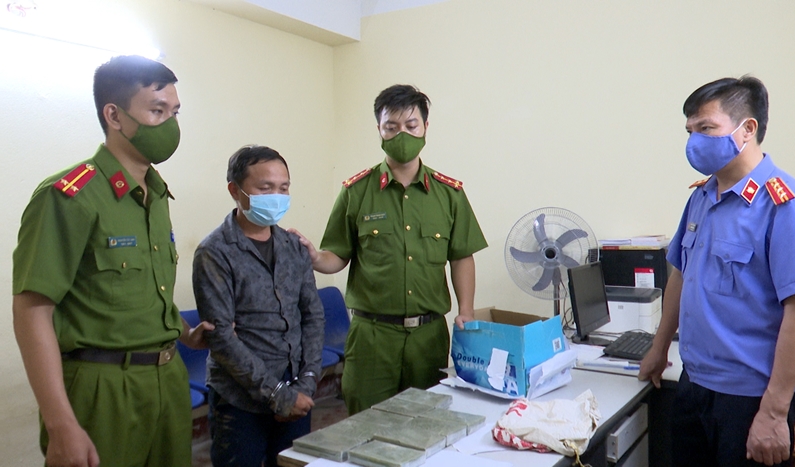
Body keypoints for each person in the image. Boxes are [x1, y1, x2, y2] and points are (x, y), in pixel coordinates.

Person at [12, 55, 213, 467]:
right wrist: (61, 425)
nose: (169, 124)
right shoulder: (70, 196)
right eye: (157, 111)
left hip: (167, 378)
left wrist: (186, 334)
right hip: (102, 389)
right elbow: (32, 311)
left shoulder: (156, 194)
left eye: (174, 112)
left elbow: (144, 291)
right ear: (115, 116)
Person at [639, 76, 795, 467]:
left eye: (706, 128)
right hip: (695, 381)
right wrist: (659, 348)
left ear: (747, 129)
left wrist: (773, 413)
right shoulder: (702, 196)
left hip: (753, 396)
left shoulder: (788, 206)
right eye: (690, 131)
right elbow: (680, 275)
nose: (695, 141)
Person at [292, 84, 488, 415]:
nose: (402, 135)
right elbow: (337, 255)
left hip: (429, 336)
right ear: (379, 130)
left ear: (425, 127)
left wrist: (465, 309)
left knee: (428, 423)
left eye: (411, 126)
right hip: (372, 336)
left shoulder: (449, 194)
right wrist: (314, 258)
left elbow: (461, 256)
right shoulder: (356, 191)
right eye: (391, 127)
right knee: (366, 425)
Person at [192, 145, 325, 467]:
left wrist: (307, 380)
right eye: (265, 188)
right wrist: (278, 395)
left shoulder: (293, 247)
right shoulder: (214, 252)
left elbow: (312, 315)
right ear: (235, 191)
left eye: (283, 188)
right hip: (240, 401)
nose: (276, 197)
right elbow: (222, 337)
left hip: (297, 390)